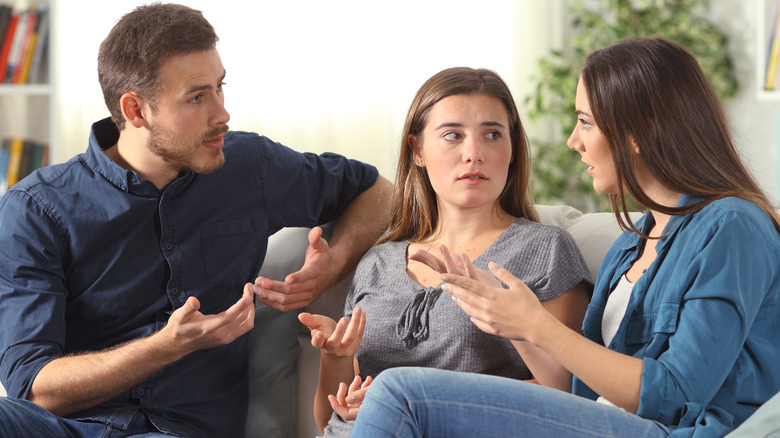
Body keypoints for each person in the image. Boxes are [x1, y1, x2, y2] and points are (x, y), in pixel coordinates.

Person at [350, 37, 780, 437]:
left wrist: (538, 325)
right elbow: (575, 392)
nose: (574, 142)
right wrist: (511, 320)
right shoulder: (629, 247)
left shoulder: (732, 225)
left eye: (585, 123)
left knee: (400, 393)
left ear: (638, 130)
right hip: (603, 423)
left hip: (668, 431)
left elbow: (677, 396)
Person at [0, 3, 391, 438]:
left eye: (220, 88)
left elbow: (378, 190)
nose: (221, 114)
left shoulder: (250, 167)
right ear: (135, 111)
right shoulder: (36, 208)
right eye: (197, 97)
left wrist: (334, 263)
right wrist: (165, 348)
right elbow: (32, 388)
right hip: (59, 427)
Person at [298, 67, 593, 437]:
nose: (474, 153)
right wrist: (336, 358)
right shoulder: (378, 261)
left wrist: (407, 408)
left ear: (513, 149)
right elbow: (327, 419)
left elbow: (564, 398)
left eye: (492, 134)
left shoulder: (545, 249)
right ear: (417, 150)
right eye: (453, 135)